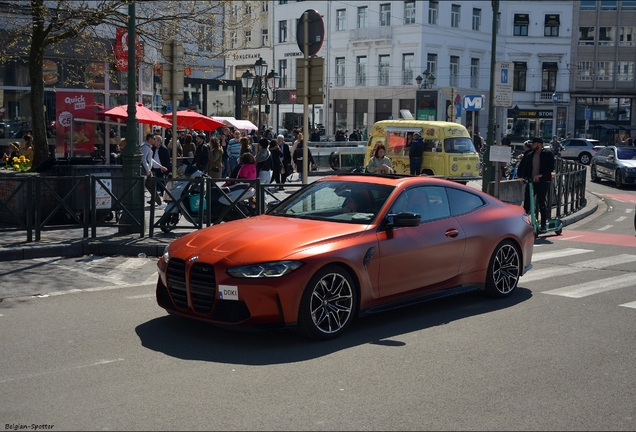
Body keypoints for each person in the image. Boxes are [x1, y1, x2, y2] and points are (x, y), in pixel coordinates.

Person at [518, 137, 555, 232]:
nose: (532, 145)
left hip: (543, 182)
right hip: (531, 182)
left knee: (541, 202)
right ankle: (523, 224)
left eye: (534, 144)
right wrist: (523, 178)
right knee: (527, 203)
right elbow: (526, 168)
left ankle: (543, 224)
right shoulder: (530, 155)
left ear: (539, 144)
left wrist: (541, 175)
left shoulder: (547, 154)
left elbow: (550, 168)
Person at [141, 134, 166, 205]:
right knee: (151, 187)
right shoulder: (146, 147)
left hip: (146, 170)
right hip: (146, 170)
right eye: (153, 139)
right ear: (150, 139)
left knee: (151, 187)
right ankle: (160, 203)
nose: (154, 140)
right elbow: (144, 159)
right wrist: (147, 169)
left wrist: (160, 166)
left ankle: (159, 202)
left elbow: (150, 159)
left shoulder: (147, 147)